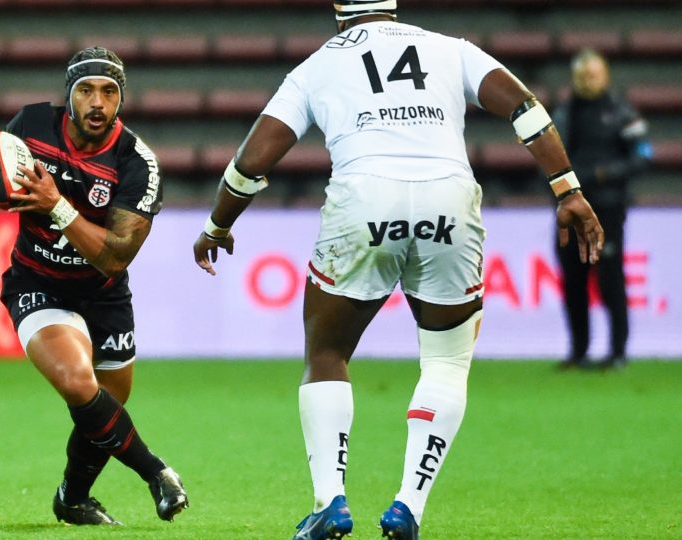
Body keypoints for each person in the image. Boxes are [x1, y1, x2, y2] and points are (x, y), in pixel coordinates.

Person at [191, 2, 603, 539]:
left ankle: (330, 501)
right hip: (447, 196)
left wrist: (218, 225)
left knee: (327, 351)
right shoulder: (450, 48)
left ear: (339, 10)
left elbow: (255, 157)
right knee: (447, 362)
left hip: (366, 195)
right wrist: (566, 187)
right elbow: (524, 106)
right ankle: (409, 504)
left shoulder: (315, 67)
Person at [0, 46, 188, 526]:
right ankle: (157, 474)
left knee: (106, 404)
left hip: (104, 292)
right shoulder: (30, 125)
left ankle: (72, 498)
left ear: (121, 99)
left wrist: (55, 204)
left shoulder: (136, 164)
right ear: (70, 94)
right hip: (36, 281)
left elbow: (116, 255)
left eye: (109, 92)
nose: (97, 103)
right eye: (86, 90)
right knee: (76, 382)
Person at [553, 48, 651, 370]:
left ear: (605, 76)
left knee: (610, 279)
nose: (587, 81)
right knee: (573, 281)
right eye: (581, 75)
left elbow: (644, 156)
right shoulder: (563, 113)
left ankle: (618, 352)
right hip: (571, 211)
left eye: (592, 75)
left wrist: (605, 174)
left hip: (607, 208)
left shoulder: (622, 113)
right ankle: (578, 351)